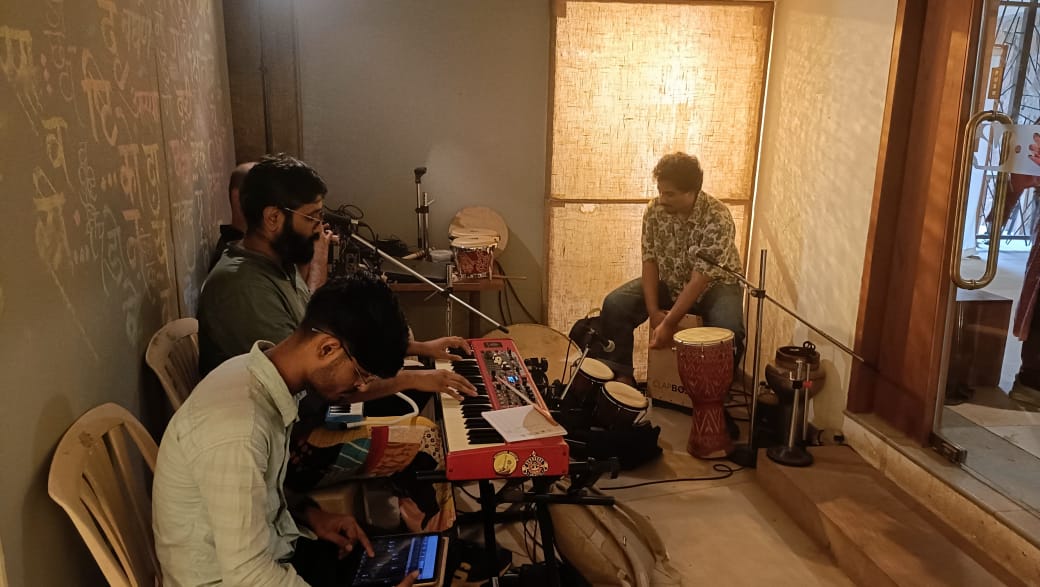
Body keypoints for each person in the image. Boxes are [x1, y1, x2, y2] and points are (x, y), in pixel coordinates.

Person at [153, 274, 420, 586]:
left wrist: (312, 515)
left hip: (275, 549)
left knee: (388, 555)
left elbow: (263, 496)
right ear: (328, 348)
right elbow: (249, 576)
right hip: (231, 579)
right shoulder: (239, 429)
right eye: (361, 375)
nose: (361, 387)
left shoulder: (254, 372)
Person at [591, 152, 746, 385]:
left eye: (670, 194)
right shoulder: (654, 211)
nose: (662, 199)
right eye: (660, 191)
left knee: (729, 329)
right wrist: (654, 312)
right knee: (615, 304)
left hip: (715, 285)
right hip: (670, 282)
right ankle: (622, 377)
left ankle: (716, 393)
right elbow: (650, 261)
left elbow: (700, 279)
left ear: (692, 192)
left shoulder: (718, 217)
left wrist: (669, 323)